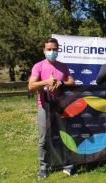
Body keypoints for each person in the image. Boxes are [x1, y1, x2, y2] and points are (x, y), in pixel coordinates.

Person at [28, 37, 75, 179]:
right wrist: (46, 82)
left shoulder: (63, 65)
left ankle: (67, 165)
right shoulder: (38, 66)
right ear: (44, 50)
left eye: (54, 49)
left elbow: (71, 81)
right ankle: (44, 167)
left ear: (58, 50)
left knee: (64, 137)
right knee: (43, 139)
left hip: (61, 107)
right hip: (44, 107)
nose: (52, 52)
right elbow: (30, 86)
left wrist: (61, 82)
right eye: (49, 49)